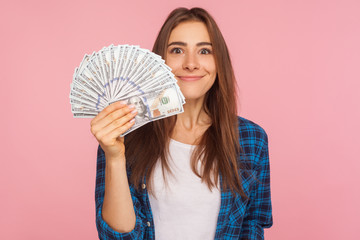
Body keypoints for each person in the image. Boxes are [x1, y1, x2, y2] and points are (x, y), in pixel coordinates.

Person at [91, 7, 273, 240]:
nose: (191, 63)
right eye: (177, 50)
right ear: (159, 61)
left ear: (220, 63)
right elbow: (117, 237)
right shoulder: (125, 135)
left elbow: (253, 224)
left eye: (205, 51)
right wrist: (115, 157)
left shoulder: (252, 139)